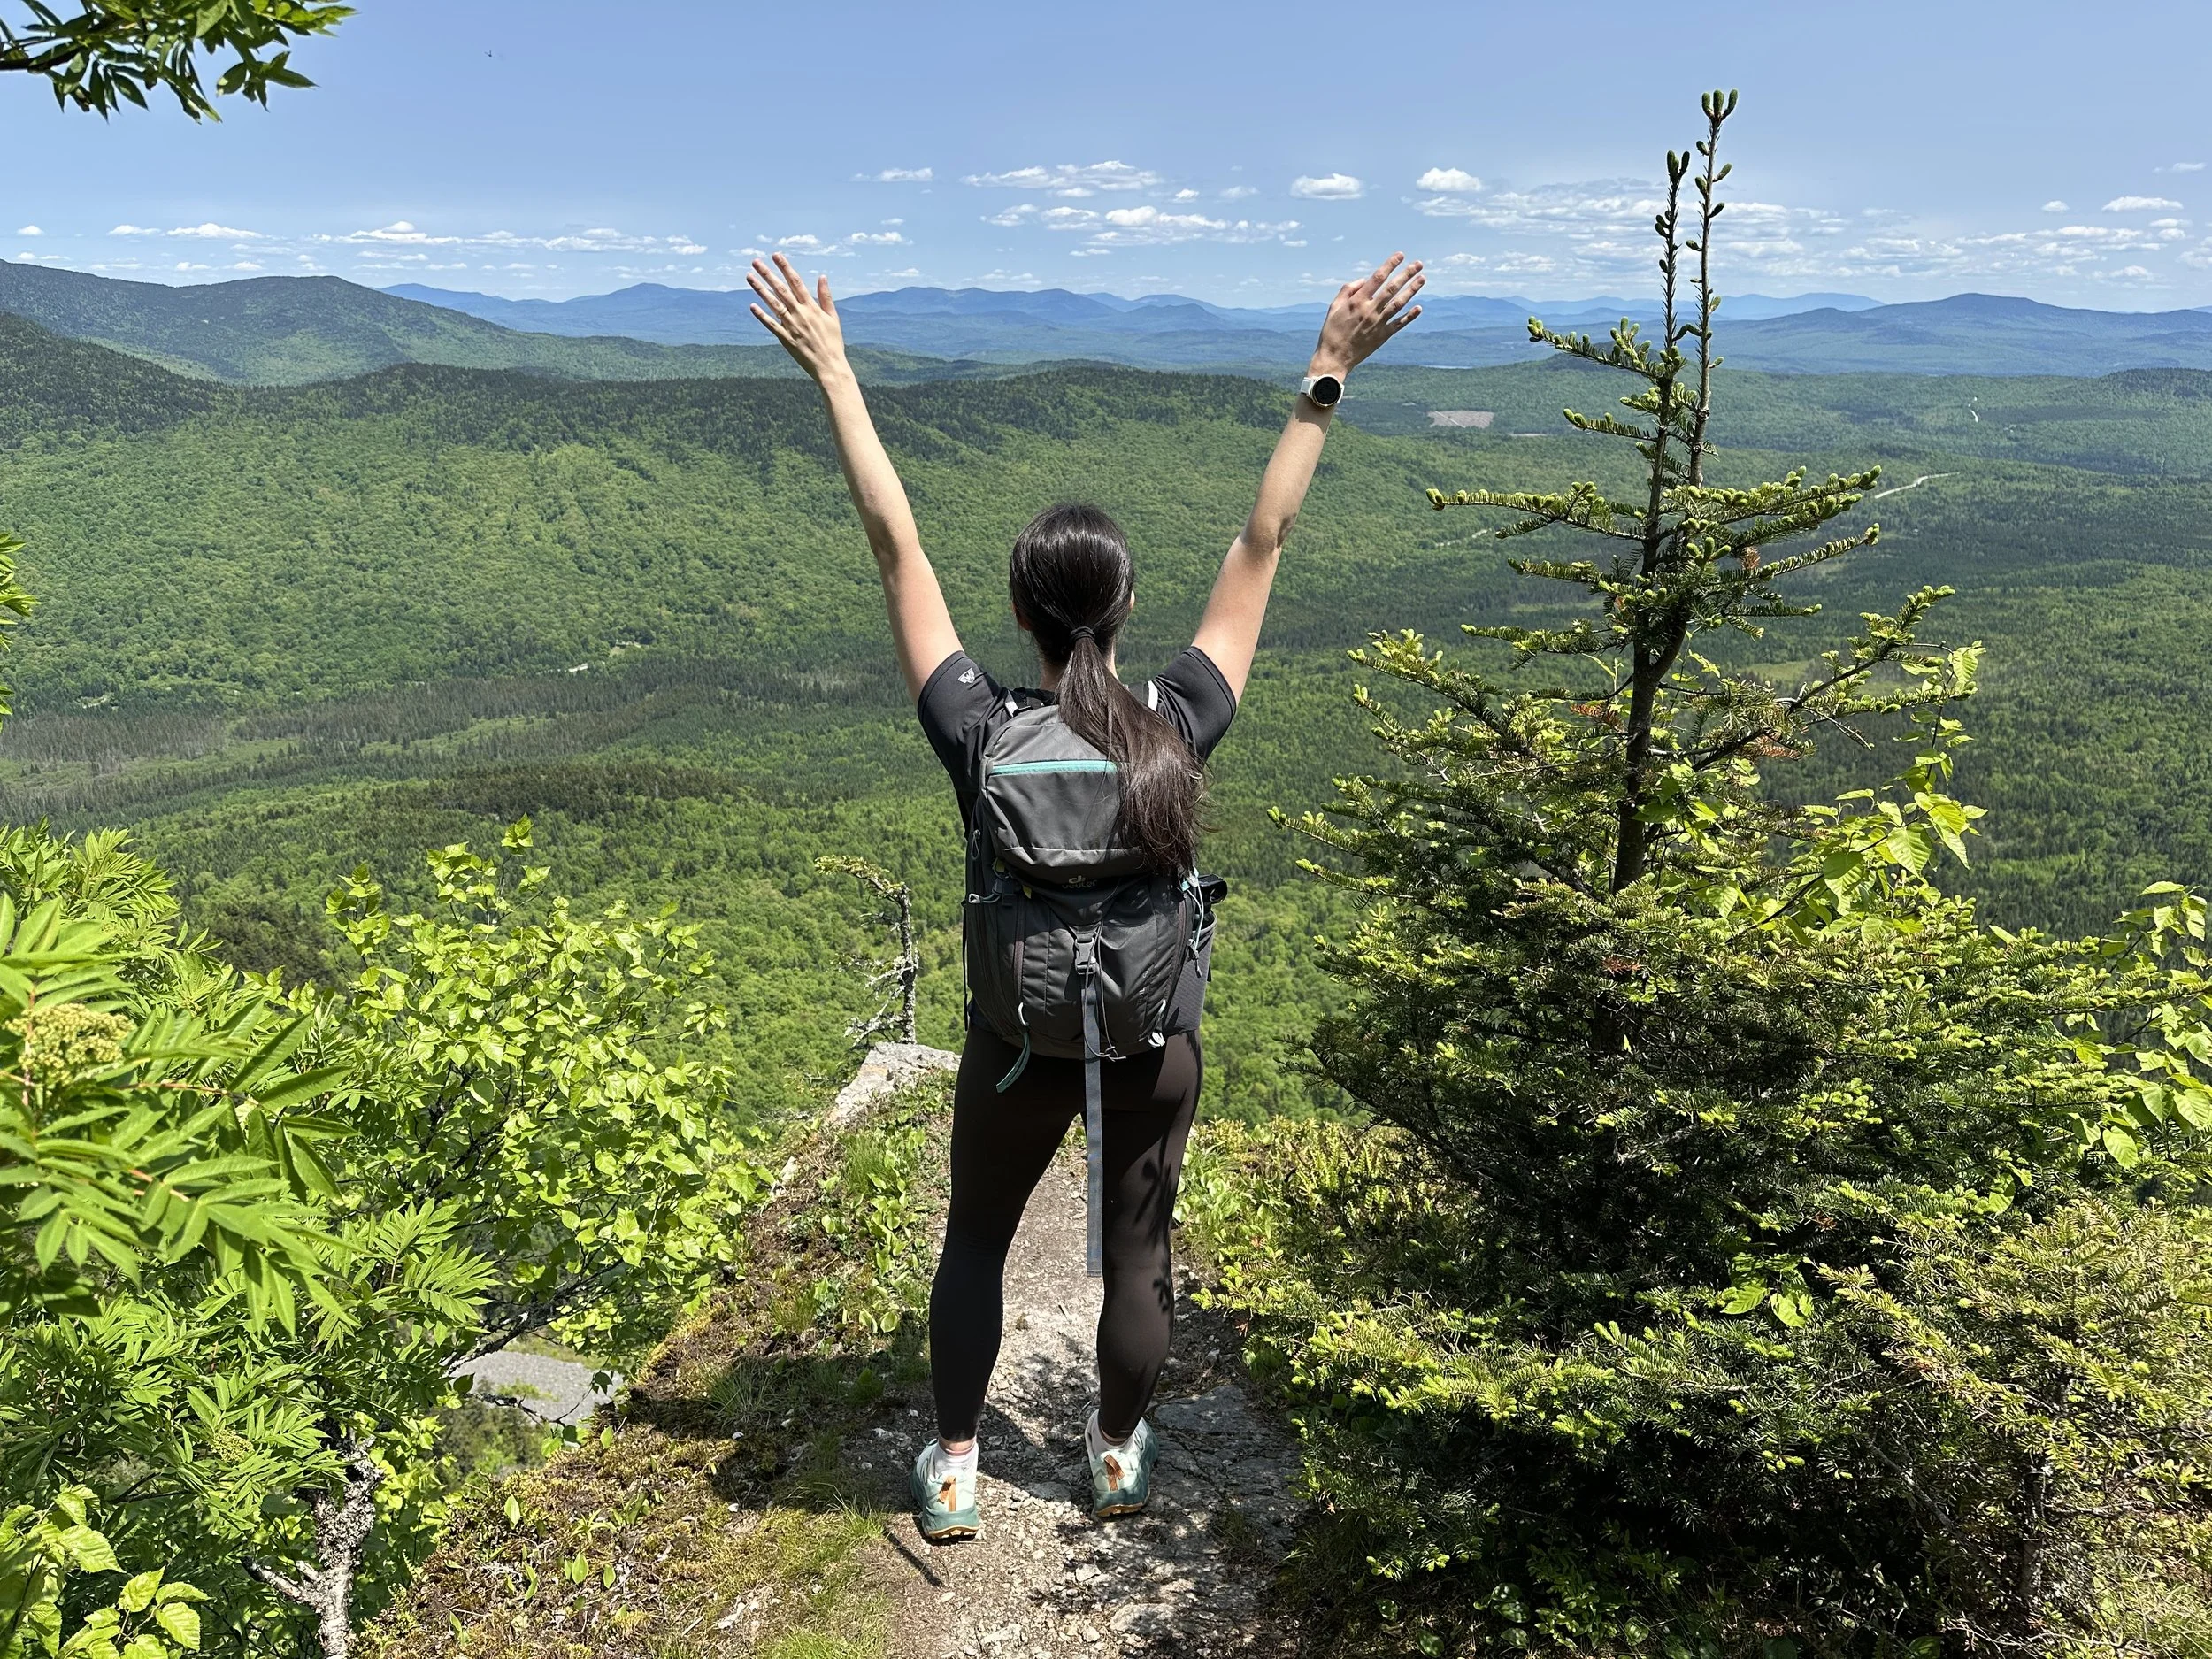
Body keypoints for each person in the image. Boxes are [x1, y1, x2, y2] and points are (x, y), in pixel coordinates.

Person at [747, 249, 1424, 1540]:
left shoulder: (978, 728)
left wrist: (835, 370)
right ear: (1120, 611)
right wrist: (1327, 372)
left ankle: (954, 1466)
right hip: (1150, 1042)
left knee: (977, 1243)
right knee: (1136, 1249)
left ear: (1025, 612)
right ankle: (1113, 1452)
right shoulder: (1177, 724)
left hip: (1014, 1048)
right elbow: (1263, 536)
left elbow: (893, 542)